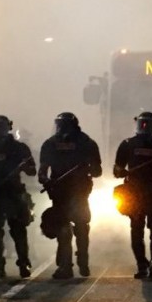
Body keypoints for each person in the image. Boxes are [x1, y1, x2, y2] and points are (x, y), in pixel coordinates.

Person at [113, 112, 152, 280]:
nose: (143, 126)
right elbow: (118, 170)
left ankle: (150, 265)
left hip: (150, 194)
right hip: (140, 195)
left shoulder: (131, 144)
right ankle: (148, 265)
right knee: (148, 230)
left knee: (143, 230)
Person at [39, 112, 102, 279]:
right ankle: (69, 265)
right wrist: (46, 181)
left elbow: (97, 171)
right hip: (61, 192)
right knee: (67, 228)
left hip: (78, 192)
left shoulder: (84, 143)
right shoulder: (53, 144)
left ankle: (78, 261)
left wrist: (85, 168)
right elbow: (42, 172)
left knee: (76, 227)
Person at [0, 115, 36, 279]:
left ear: (8, 128)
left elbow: (32, 171)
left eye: (0, 127)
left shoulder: (19, 148)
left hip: (13, 194)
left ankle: (23, 262)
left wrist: (23, 167)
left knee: (18, 230)